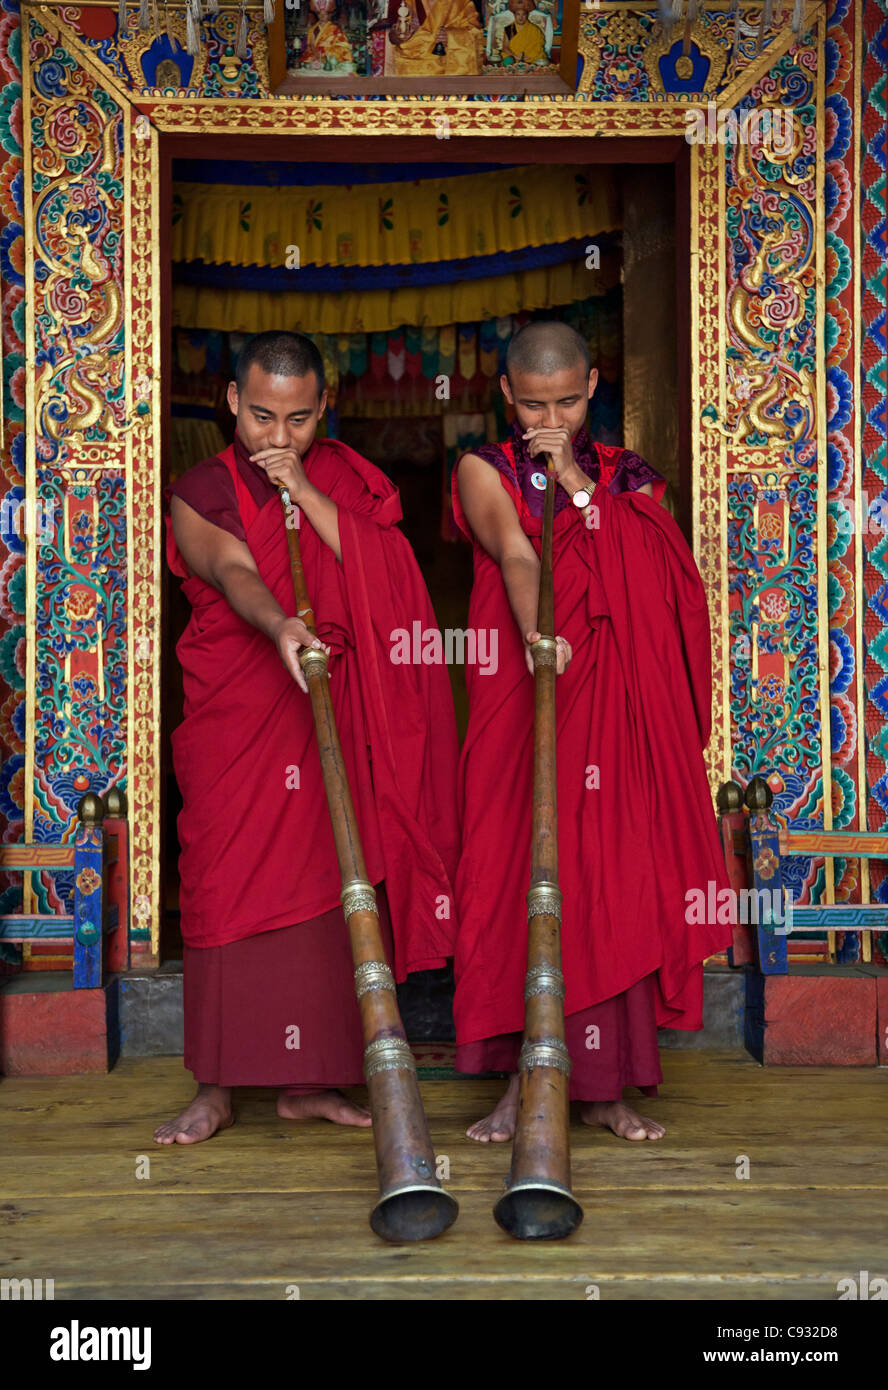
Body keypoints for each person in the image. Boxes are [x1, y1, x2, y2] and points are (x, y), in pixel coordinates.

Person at [155, 331, 460, 1144]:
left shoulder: (344, 482)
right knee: (227, 880)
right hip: (242, 720)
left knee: (333, 889)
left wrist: (309, 499)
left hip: (338, 714)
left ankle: (309, 1078)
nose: (277, 438)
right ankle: (215, 1086)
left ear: (323, 408)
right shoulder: (201, 490)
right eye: (260, 417)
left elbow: (391, 576)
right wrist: (281, 624)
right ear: (231, 402)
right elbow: (232, 573)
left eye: (296, 420)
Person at [450, 320, 734, 1143]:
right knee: (517, 870)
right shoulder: (483, 467)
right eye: (535, 404)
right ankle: (520, 1081)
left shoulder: (630, 478)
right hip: (527, 687)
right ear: (507, 394)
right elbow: (514, 552)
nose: (551, 421)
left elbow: (654, 575)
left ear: (594, 386)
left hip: (611, 707)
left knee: (608, 874)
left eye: (568, 404)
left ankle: (606, 1086)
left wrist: (574, 478)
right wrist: (540, 631)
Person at [387, 0, 483, 76]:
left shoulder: (461, 3)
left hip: (445, 73)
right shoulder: (406, 3)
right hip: (410, 70)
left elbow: (475, 35)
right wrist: (396, 37)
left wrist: (451, 37)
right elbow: (392, 34)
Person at [502, 0, 547, 64]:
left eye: (523, 14)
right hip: (514, 57)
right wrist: (514, 56)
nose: (521, 17)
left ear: (527, 15)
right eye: (518, 14)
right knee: (508, 61)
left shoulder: (535, 30)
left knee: (540, 60)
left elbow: (539, 46)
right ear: (514, 15)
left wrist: (530, 56)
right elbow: (505, 47)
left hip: (531, 57)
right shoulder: (509, 28)